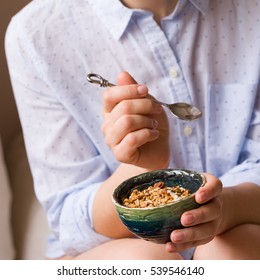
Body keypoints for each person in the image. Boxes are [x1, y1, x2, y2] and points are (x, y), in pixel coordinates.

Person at [5, 0, 260, 260]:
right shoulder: (36, 34)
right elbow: (70, 219)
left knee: (227, 252)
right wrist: (142, 168)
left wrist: (225, 208)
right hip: (111, 246)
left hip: (244, 215)